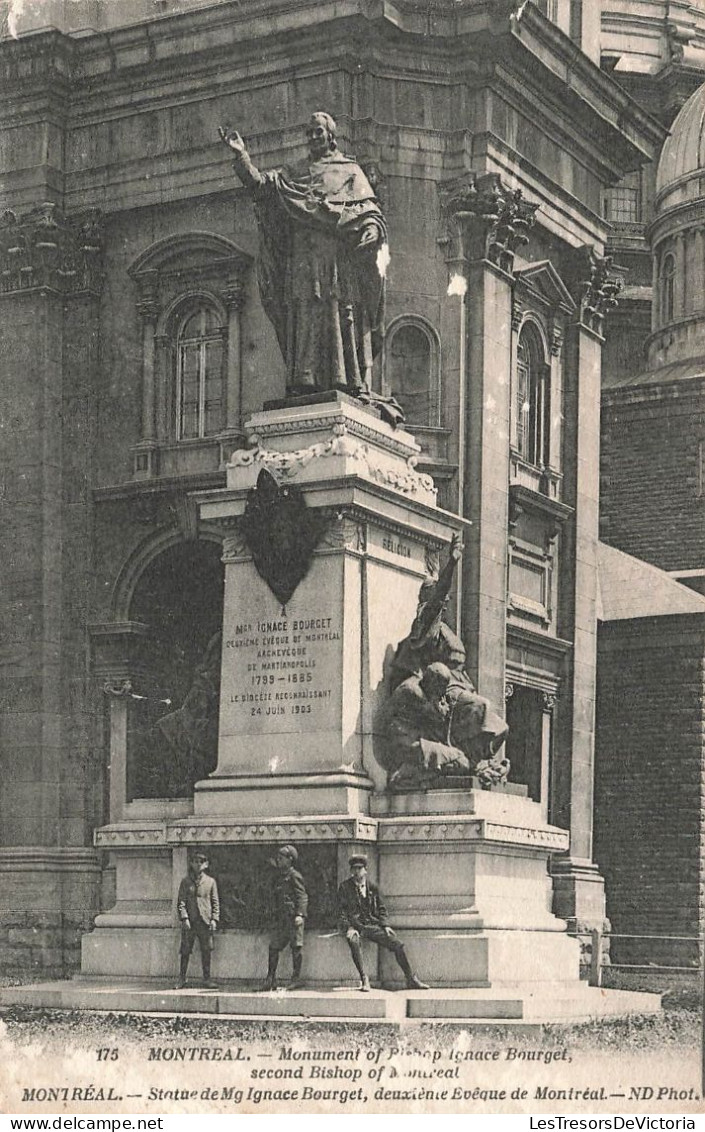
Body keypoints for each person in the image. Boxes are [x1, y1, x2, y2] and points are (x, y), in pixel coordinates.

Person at [219, 112, 387, 397]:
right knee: (304, 314)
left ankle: (343, 378)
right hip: (302, 259)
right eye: (309, 132)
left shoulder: (349, 170)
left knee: (338, 313)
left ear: (330, 136)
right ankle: (304, 379)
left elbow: (369, 210)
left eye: (318, 132)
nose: (313, 137)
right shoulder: (293, 172)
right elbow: (261, 187)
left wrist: (372, 228)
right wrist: (242, 157)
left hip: (335, 258)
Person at [390, 533, 471, 691]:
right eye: (443, 597)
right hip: (441, 685)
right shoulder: (426, 621)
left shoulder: (441, 627)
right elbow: (439, 596)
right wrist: (452, 563)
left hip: (455, 684)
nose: (447, 600)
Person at [337, 854, 428, 992]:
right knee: (354, 941)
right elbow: (341, 912)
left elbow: (382, 908)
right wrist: (349, 928)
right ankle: (364, 979)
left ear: (365, 870)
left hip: (372, 925)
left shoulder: (373, 887)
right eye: (354, 869)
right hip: (356, 926)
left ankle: (410, 978)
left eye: (359, 869)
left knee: (397, 944)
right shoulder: (344, 887)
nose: (356, 872)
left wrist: (385, 925)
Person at [261, 844, 308, 991]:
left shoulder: (295, 876)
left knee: (296, 948)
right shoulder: (279, 877)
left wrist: (300, 914)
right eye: (278, 858)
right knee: (274, 947)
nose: (278, 860)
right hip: (281, 919)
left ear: (290, 859)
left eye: (281, 858)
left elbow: (302, 896)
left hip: (294, 918)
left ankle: (296, 979)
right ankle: (271, 978)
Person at [176, 851, 219, 989]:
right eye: (195, 861)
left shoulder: (211, 882)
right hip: (191, 921)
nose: (198, 864)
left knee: (206, 950)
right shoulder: (186, 881)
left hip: (205, 921)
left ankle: (207, 979)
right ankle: (182, 978)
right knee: (185, 950)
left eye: (201, 862)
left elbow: (215, 902)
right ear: (191, 863)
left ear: (206, 864)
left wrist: (214, 919)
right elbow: (181, 902)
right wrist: (184, 918)